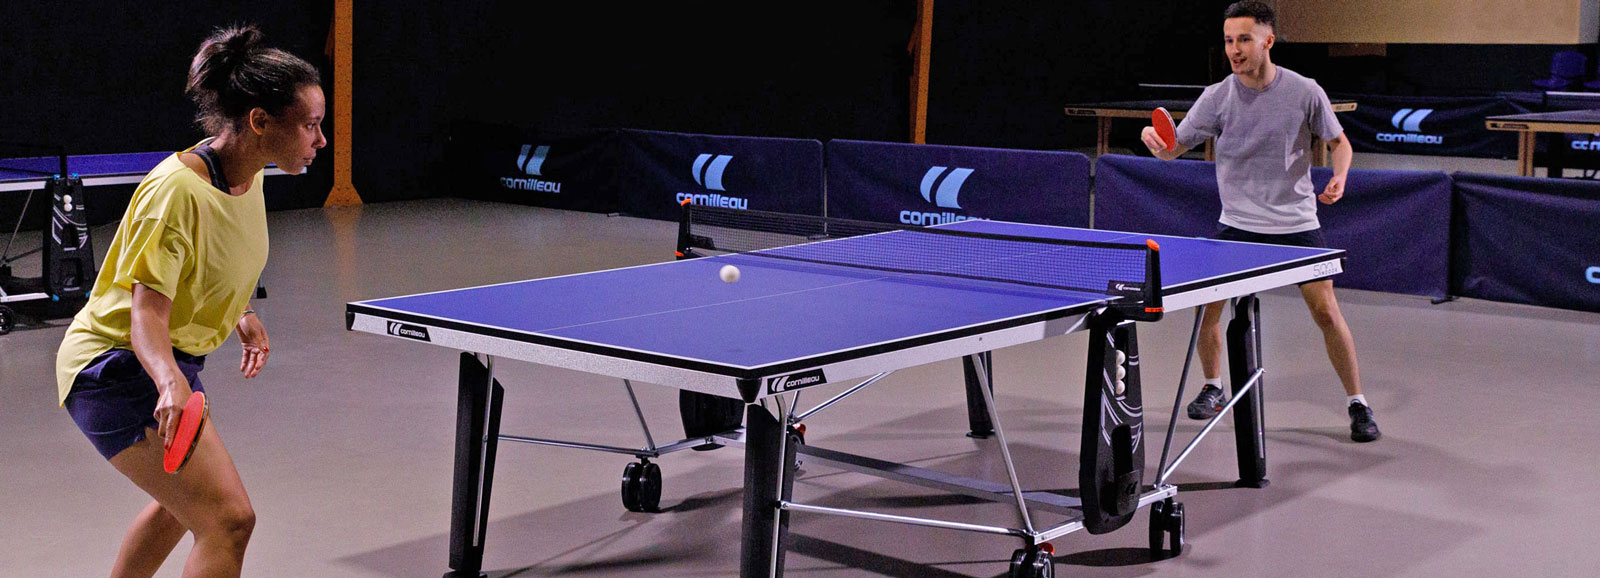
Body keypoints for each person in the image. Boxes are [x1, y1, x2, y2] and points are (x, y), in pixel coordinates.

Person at [54, 25, 323, 577]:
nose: (321, 141)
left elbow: (214, 254)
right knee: (229, 520)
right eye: (310, 125)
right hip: (113, 367)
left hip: (163, 363)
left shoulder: (248, 174)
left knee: (181, 509)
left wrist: (242, 312)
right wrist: (169, 379)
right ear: (260, 122)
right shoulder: (175, 193)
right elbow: (145, 312)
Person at [1139, 1, 1379, 442]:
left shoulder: (1304, 90)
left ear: (1268, 41)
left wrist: (1340, 176)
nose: (1234, 49)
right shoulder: (1217, 97)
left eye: (1244, 39)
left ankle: (1358, 403)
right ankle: (1213, 386)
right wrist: (1153, 140)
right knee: (1207, 309)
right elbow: (1172, 149)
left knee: (1326, 312)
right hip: (1238, 223)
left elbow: (1339, 143)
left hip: (1295, 222)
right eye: (1229, 40)